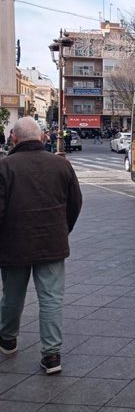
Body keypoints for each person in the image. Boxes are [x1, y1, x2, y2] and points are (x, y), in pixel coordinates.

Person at [0, 117, 82, 374]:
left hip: (14, 245)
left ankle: (8, 339)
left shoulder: (4, 167)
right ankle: (51, 355)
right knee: (51, 299)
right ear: (44, 138)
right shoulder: (61, 165)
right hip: (52, 243)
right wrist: (62, 229)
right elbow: (75, 204)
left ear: (14, 138)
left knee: (12, 295)